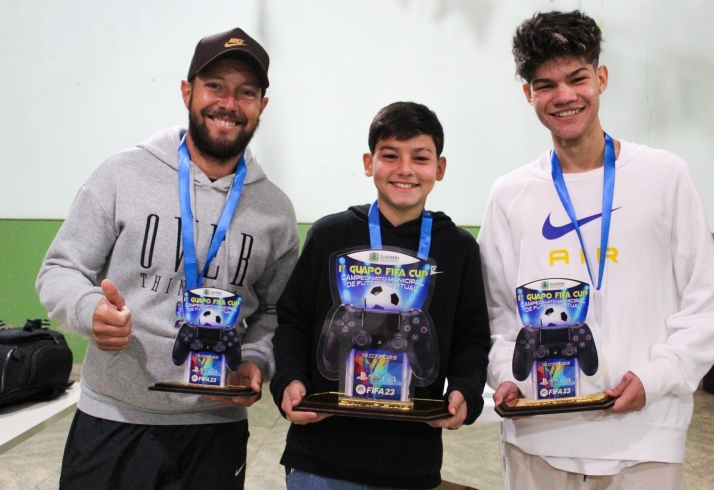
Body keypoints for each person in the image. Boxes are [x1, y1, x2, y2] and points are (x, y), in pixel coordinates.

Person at [479, 11, 714, 489]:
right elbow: (494, 311)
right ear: (528, 94)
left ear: (601, 78)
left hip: (646, 433)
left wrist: (656, 377)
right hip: (539, 433)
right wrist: (503, 375)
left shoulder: (664, 176)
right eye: (545, 84)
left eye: (577, 79)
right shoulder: (509, 193)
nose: (564, 96)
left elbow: (708, 297)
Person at [36, 28, 298, 489]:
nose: (228, 103)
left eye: (246, 92)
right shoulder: (121, 175)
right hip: (114, 417)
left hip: (214, 426)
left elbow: (277, 310)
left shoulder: (274, 210)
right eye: (215, 85)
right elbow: (60, 269)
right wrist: (88, 310)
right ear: (187, 91)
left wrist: (256, 359)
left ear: (261, 106)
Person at [270, 102, 491, 489]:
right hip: (321, 457)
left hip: (411, 459)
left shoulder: (458, 248)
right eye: (391, 156)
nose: (405, 169)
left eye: (420, 158)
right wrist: (288, 379)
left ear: (439, 168)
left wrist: (466, 392)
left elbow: (472, 338)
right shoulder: (329, 235)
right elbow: (294, 322)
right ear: (369, 162)